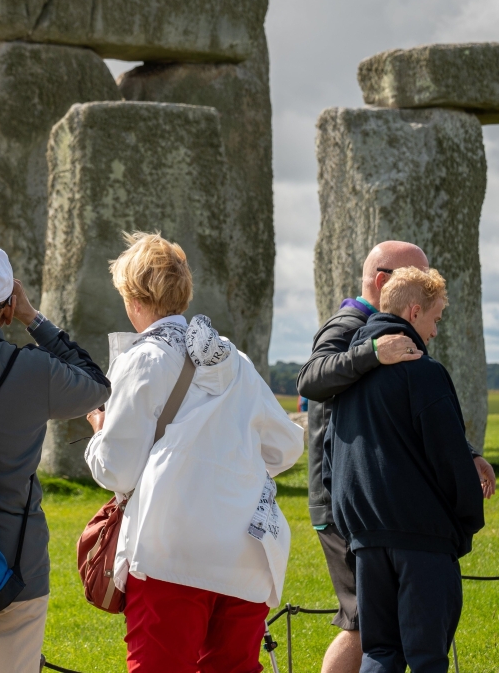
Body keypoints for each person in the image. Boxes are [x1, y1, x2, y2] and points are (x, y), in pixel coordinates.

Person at [85, 231, 304, 673]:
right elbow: (285, 446)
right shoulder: (234, 360)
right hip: (246, 553)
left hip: (172, 548)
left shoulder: (143, 358)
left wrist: (98, 429)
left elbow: (117, 470)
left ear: (133, 297)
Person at [297, 241, 495, 673]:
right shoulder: (351, 326)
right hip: (393, 523)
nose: (437, 331)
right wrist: (464, 522)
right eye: (418, 277)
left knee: (377, 645)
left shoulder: (386, 353)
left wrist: (470, 451)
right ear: (392, 287)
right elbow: (309, 379)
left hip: (362, 515)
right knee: (378, 635)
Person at [0, 240, 110, 673]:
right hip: (11, 566)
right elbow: (96, 385)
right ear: (5, 307)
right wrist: (33, 318)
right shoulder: (32, 371)